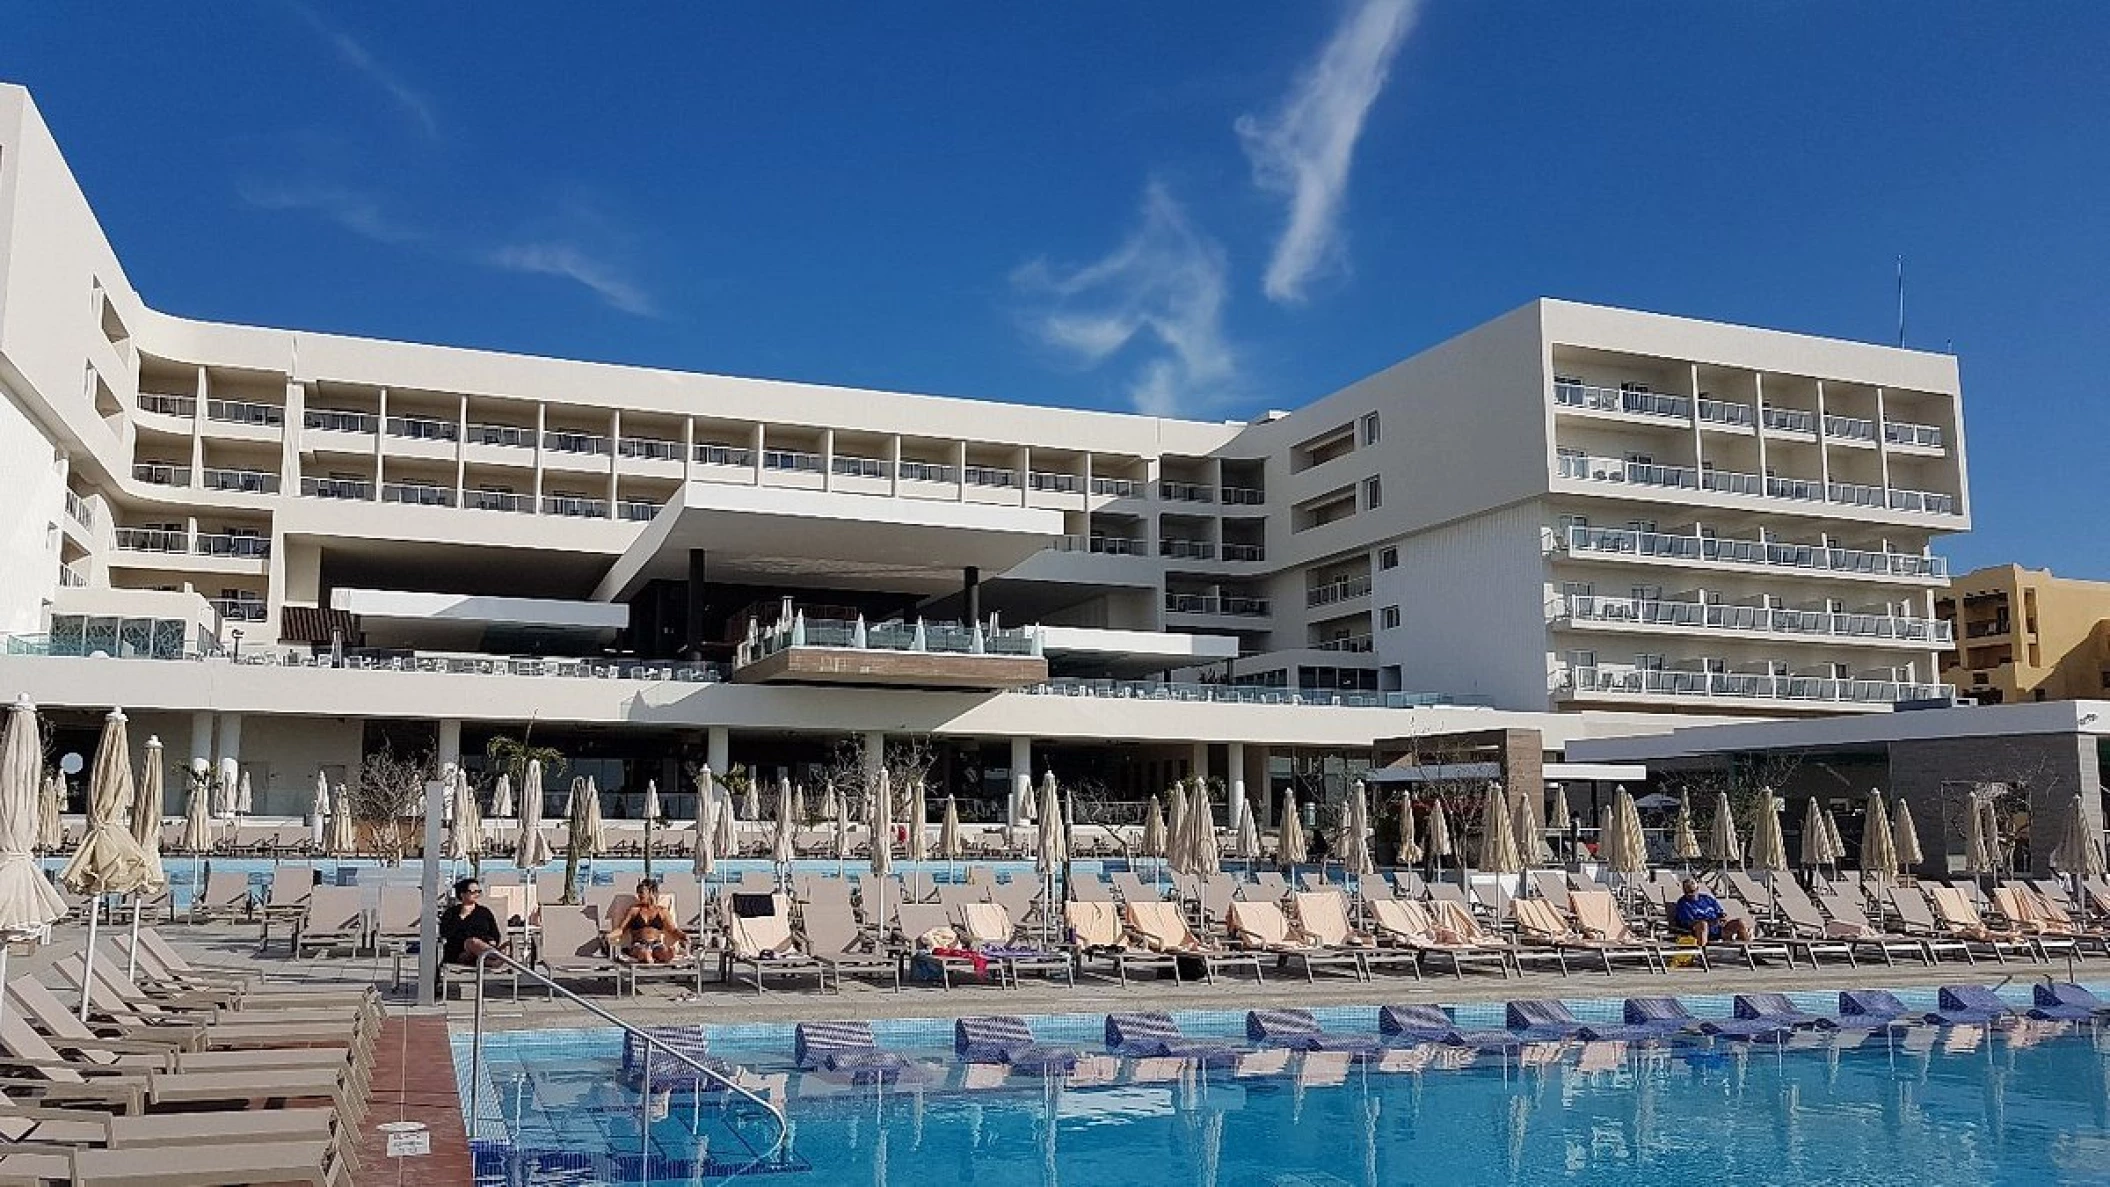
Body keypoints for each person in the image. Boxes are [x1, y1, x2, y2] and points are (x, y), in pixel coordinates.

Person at [605, 878, 687, 964]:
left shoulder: (662, 911)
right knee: (645, 954)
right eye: (638, 893)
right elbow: (621, 929)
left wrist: (683, 936)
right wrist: (608, 936)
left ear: (651, 892)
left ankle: (660, 956)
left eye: (641, 892)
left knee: (666, 953)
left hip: (656, 944)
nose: (639, 895)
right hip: (638, 945)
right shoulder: (634, 910)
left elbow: (673, 930)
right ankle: (649, 957)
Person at [441, 877, 507, 967]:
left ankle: (493, 961)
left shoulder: (484, 912)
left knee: (503, 946)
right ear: (462, 894)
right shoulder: (452, 912)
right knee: (472, 942)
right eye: (472, 891)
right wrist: (461, 917)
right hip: (459, 952)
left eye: (478, 891)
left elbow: (495, 934)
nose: (476, 894)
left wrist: (492, 940)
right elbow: (445, 933)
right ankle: (498, 957)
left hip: (481, 952)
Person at [1671, 878, 1749, 946]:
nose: (1691, 894)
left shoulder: (1707, 898)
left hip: (1718, 929)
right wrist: (1710, 922)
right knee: (1703, 925)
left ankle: (1748, 951)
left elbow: (1721, 913)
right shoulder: (1683, 903)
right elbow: (1688, 923)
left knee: (1740, 922)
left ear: (1698, 888)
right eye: (1688, 892)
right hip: (1698, 932)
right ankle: (1702, 955)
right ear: (1684, 891)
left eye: (1693, 891)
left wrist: (1724, 918)